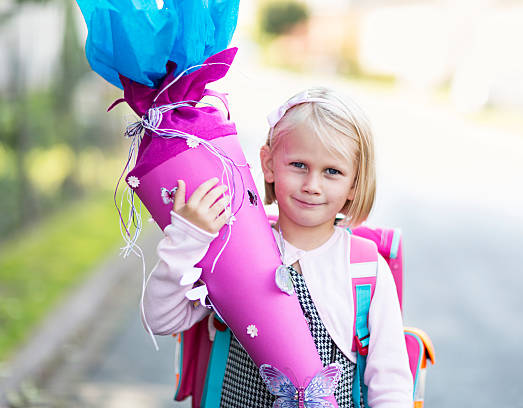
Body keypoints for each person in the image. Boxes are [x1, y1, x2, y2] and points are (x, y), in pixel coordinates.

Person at [143, 87, 413, 407]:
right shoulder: (234, 247)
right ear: (269, 164)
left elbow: (390, 383)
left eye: (332, 172)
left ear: (355, 184)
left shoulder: (365, 271)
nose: (312, 185)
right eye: (298, 165)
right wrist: (186, 242)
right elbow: (160, 320)